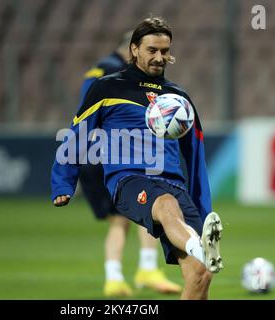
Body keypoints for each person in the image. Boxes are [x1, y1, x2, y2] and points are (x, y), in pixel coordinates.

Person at [51, 16, 223, 300]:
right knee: (165, 206)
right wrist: (63, 182)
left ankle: (199, 250)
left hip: (174, 183)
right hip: (130, 179)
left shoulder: (178, 97)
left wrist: (204, 214)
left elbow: (195, 158)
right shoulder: (107, 88)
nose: (159, 57)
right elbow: (77, 135)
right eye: (152, 50)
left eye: (165, 51)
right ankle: (198, 246)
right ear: (134, 50)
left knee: (201, 275)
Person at [77, 32, 181, 297]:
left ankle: (117, 277)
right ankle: (144, 271)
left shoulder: (101, 70)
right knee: (143, 209)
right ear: (133, 51)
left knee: (124, 217)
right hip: (111, 153)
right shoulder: (119, 75)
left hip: (95, 152)